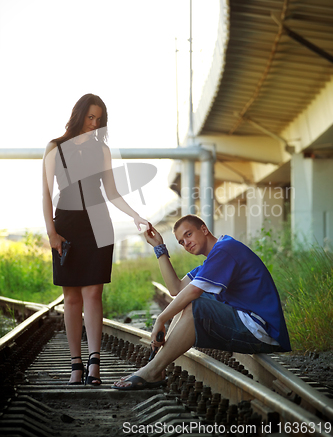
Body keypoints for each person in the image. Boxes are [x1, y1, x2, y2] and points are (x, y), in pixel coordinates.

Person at [113, 214, 291, 390]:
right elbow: (177, 289)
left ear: (204, 229)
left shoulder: (226, 250)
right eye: (181, 242)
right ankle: (154, 367)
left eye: (188, 234)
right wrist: (159, 247)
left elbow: (193, 291)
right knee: (192, 300)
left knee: (195, 303)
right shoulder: (213, 260)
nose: (186, 243)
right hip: (251, 325)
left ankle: (153, 369)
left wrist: (160, 319)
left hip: (261, 331)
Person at [42, 93, 149, 386]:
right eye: (90, 117)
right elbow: (46, 193)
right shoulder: (55, 147)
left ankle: (94, 364)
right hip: (66, 224)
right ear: (78, 115)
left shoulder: (102, 150)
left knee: (93, 295)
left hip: (99, 224)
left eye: (99, 119)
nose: (94, 123)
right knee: (71, 297)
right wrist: (51, 231)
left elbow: (112, 192)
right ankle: (75, 364)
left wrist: (135, 215)